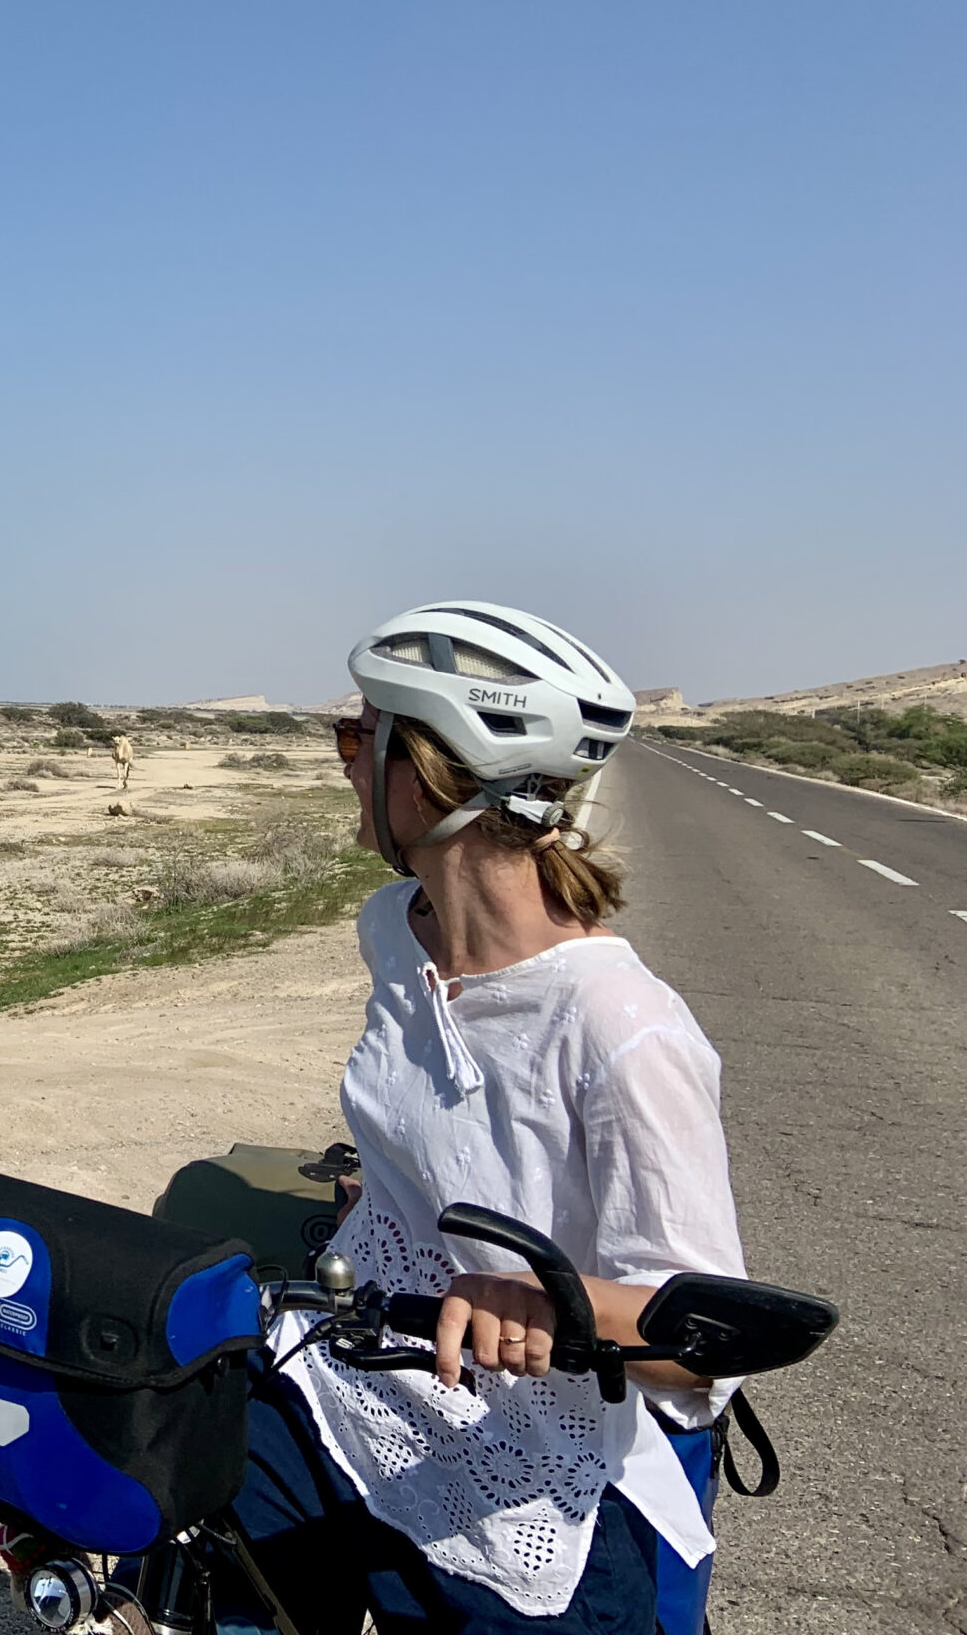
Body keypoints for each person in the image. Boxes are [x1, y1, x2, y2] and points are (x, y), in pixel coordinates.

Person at [226, 601, 743, 1635]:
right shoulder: (394, 931)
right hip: (357, 1386)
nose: (341, 764)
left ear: (425, 771)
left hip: (529, 1481)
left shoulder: (620, 1030)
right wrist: (393, 1189)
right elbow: (447, 1125)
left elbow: (705, 1342)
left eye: (354, 736)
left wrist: (549, 1301)